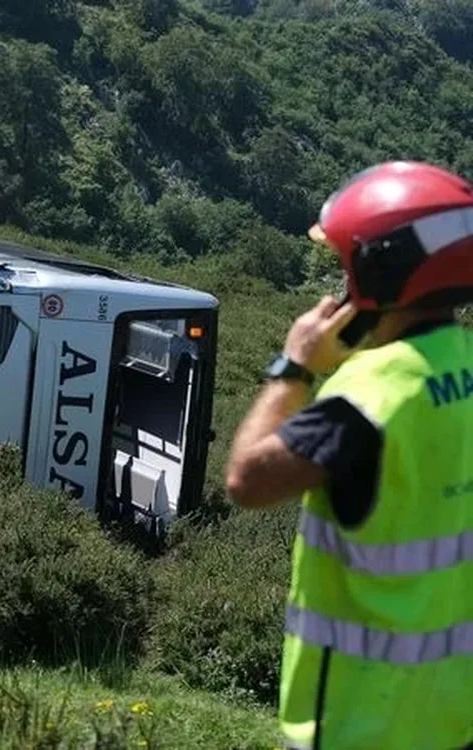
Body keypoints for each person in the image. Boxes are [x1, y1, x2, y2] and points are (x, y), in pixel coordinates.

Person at [225, 161, 473, 750]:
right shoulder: (462, 366)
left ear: (383, 269)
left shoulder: (369, 397)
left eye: (345, 266)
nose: (339, 287)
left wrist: (295, 367)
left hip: (358, 723)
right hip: (450, 716)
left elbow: (245, 481)